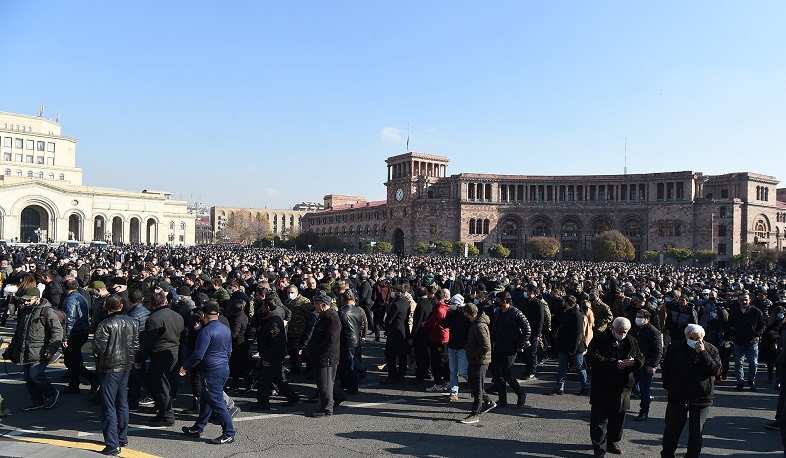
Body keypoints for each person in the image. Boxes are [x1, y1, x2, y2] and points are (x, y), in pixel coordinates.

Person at [660, 324, 722, 458]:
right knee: (672, 429)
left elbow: (716, 370)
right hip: (678, 396)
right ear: (686, 336)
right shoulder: (675, 347)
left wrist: (702, 353)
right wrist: (669, 385)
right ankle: (667, 454)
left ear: (703, 338)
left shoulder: (711, 349)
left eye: (697, 338)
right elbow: (666, 368)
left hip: (700, 397)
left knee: (696, 431)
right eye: (691, 338)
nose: (694, 341)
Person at [586, 317, 644, 457]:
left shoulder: (631, 341)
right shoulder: (600, 339)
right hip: (603, 385)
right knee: (599, 419)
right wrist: (613, 363)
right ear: (613, 328)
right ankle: (599, 448)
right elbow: (591, 357)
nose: (622, 334)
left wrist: (634, 362)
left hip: (623, 386)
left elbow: (641, 356)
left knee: (618, 418)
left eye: (625, 331)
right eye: (619, 331)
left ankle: (612, 442)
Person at [180, 302, 236, 444]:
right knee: (206, 400)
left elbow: (198, 354)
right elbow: (229, 351)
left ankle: (229, 432)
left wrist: (185, 367)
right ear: (217, 315)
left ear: (203, 315)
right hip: (223, 368)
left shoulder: (206, 331)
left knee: (217, 402)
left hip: (211, 370)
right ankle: (198, 428)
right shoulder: (225, 329)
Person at [92, 294, 139, 456]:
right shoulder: (132, 321)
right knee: (122, 402)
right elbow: (135, 344)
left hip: (109, 366)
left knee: (108, 405)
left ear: (106, 307)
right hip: (126, 364)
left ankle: (112, 443)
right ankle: (122, 436)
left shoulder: (105, 324)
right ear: (121, 307)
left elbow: (98, 348)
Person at [2, 287, 63, 411]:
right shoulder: (25, 311)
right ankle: (37, 400)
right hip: (25, 350)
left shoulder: (47, 312)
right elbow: (19, 331)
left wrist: (51, 349)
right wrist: (12, 347)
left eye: (29, 300)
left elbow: (57, 331)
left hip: (40, 351)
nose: (26, 302)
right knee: (29, 379)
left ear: (37, 299)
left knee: (36, 375)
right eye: (24, 300)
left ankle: (51, 393)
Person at [135, 292, 185, 426]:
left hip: (160, 353)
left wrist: (139, 358)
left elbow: (148, 343)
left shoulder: (154, 319)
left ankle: (167, 416)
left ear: (151, 304)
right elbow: (183, 334)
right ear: (166, 302)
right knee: (164, 384)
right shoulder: (177, 316)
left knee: (162, 386)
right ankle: (162, 412)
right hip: (174, 351)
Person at [249, 297, 299, 410]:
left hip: (272, 356)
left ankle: (263, 403)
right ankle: (292, 397)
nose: (262, 308)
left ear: (268, 307)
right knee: (277, 378)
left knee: (264, 380)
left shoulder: (273, 322)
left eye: (263, 306)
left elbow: (275, 342)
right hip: (272, 355)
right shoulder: (271, 318)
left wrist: (268, 358)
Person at [489, 292, 530, 408]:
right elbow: (494, 329)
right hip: (498, 347)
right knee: (497, 373)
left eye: (498, 299)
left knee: (506, 372)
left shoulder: (516, 313)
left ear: (505, 301)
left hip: (510, 348)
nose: (495, 301)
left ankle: (520, 392)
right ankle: (502, 399)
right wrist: (493, 342)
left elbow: (527, 330)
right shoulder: (498, 312)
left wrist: (520, 345)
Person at [306, 291, 344, 417]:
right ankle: (335, 398)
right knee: (324, 383)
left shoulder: (332, 317)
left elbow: (331, 340)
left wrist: (318, 351)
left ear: (323, 305)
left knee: (325, 384)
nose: (314, 306)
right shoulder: (324, 315)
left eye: (316, 304)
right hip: (322, 356)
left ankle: (327, 409)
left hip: (327, 357)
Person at [61, 278, 98, 394]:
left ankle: (92, 378)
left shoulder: (70, 300)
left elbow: (70, 320)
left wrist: (65, 337)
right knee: (74, 359)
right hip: (82, 331)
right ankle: (74, 384)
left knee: (71, 360)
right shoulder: (82, 298)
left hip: (75, 333)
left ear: (64, 288)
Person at [460, 302, 495, 424]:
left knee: (478, 388)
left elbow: (486, 346)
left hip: (479, 361)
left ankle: (475, 414)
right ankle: (489, 401)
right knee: (474, 385)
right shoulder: (475, 323)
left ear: (467, 313)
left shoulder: (479, 326)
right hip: (475, 360)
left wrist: (473, 355)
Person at [549, 295, 589, 396]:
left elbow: (579, 334)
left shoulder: (577, 314)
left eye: (564, 302)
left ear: (566, 303)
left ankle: (585, 386)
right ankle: (560, 387)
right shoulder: (567, 313)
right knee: (562, 367)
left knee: (579, 367)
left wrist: (574, 349)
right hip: (564, 345)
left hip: (575, 347)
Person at [728, 292, 766, 391]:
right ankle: (740, 382)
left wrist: (756, 333)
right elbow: (729, 324)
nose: (744, 302)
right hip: (738, 341)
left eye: (746, 299)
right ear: (738, 301)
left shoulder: (756, 312)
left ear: (750, 300)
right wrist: (734, 333)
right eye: (742, 300)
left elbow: (762, 325)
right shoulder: (734, 311)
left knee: (753, 363)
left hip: (752, 342)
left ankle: (751, 380)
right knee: (738, 363)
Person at [630, 308, 663, 421]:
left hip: (646, 365)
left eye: (640, 317)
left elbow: (658, 351)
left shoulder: (653, 332)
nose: (637, 319)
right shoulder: (634, 329)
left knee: (645, 388)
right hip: (634, 362)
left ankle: (644, 411)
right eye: (637, 316)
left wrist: (653, 365)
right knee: (632, 385)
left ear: (647, 319)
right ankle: (647, 399)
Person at [337, 290, 366, 394]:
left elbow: (338, 327)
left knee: (348, 364)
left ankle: (352, 386)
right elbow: (362, 324)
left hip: (346, 339)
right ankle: (347, 383)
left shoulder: (342, 312)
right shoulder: (358, 310)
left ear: (343, 299)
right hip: (355, 339)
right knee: (350, 361)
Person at [381, 284, 410, 384]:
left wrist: (386, 328)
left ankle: (392, 376)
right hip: (403, 330)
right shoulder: (406, 302)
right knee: (402, 355)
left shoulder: (396, 304)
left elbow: (389, 319)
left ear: (399, 292)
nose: (392, 292)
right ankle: (401, 374)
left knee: (391, 355)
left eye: (394, 290)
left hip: (394, 331)